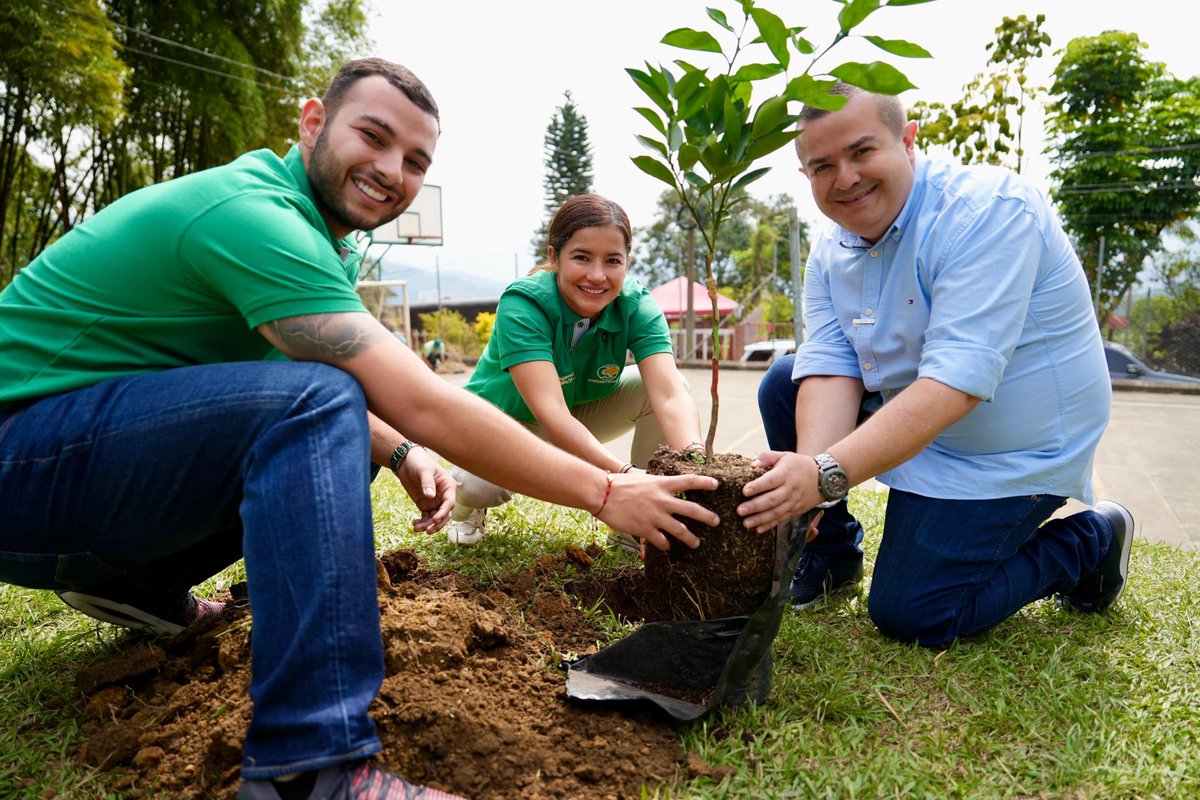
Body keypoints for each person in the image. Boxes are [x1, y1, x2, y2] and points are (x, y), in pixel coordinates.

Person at [0, 58, 721, 800]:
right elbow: (420, 399)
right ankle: (308, 768)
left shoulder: (319, 238)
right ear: (313, 122)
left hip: (74, 470)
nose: (391, 171)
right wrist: (606, 491)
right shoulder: (253, 216)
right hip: (20, 458)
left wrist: (403, 455)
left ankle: (135, 585)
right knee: (319, 402)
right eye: (371, 137)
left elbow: (381, 413)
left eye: (415, 160)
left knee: (348, 425)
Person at [740, 82, 1133, 649]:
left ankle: (1094, 538)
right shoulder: (831, 247)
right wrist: (811, 482)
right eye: (822, 165)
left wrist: (824, 471)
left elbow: (955, 384)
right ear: (806, 176)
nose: (845, 177)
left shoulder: (987, 212)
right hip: (918, 414)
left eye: (861, 151)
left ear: (907, 139)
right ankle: (828, 554)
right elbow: (831, 367)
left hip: (1013, 446)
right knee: (787, 379)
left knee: (916, 614)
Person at [444, 193, 704, 547]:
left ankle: (636, 528)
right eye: (582, 257)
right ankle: (464, 508)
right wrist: (625, 477)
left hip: (575, 412)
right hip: (505, 421)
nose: (597, 275)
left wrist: (694, 463)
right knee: (479, 485)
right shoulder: (524, 303)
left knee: (666, 387)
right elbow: (550, 413)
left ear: (627, 261)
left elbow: (670, 393)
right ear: (554, 257)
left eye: (612, 260)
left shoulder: (636, 305)